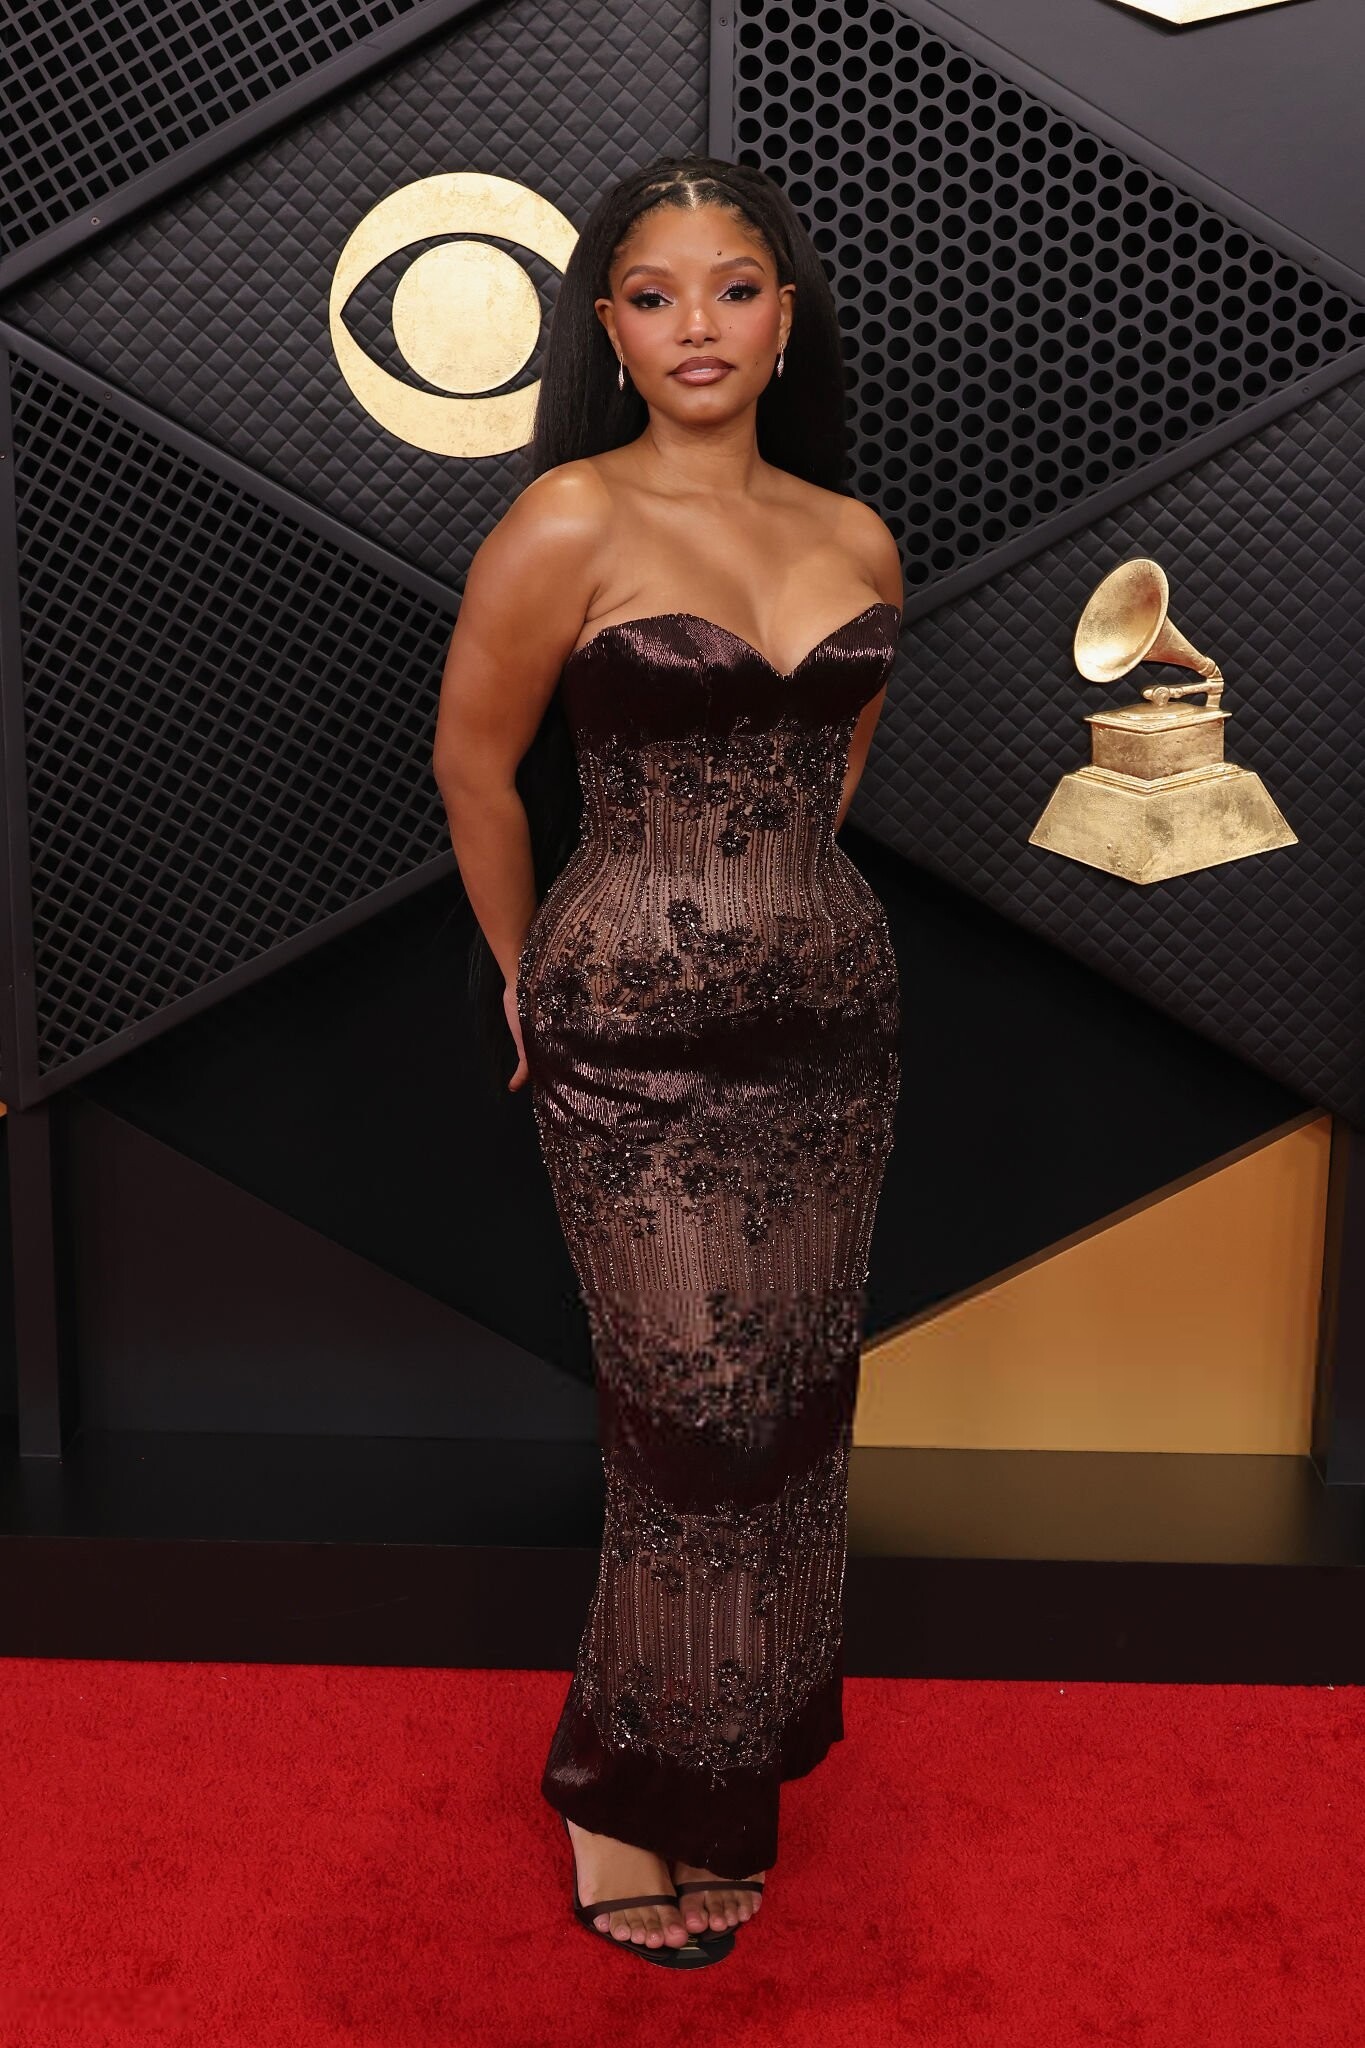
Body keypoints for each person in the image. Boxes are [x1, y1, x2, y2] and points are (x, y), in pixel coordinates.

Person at [432, 153, 902, 1969]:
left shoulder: (851, 536)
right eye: (652, 294)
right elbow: (476, 768)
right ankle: (624, 1791)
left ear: (784, 319)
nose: (695, 324)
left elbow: (833, 764)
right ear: (608, 328)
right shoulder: (566, 517)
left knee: (788, 1423)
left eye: (732, 286)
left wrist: (772, 908)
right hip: (631, 1036)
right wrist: (522, 973)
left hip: (830, 1033)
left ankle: (724, 1778)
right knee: (688, 1426)